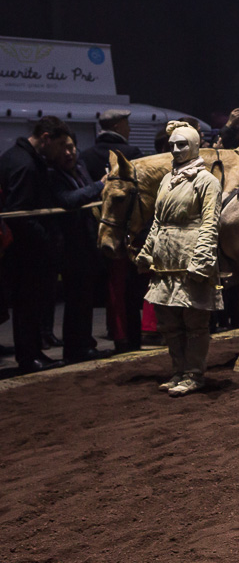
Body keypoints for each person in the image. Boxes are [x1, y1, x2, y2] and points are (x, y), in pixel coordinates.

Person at [136, 120, 224, 396]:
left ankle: (194, 374)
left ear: (196, 145)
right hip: (166, 259)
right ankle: (178, 371)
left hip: (191, 255)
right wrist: (146, 251)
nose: (175, 149)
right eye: (172, 145)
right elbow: (158, 221)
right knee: (170, 324)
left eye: (182, 144)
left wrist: (201, 260)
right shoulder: (166, 179)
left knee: (195, 322)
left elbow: (211, 223)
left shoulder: (207, 181)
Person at [0, 116, 74, 373]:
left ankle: (32, 352)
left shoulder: (17, 157)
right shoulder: (26, 165)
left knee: (27, 305)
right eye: (59, 145)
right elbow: (20, 214)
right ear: (46, 138)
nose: (62, 152)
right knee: (27, 305)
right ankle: (29, 355)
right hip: (27, 252)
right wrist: (47, 241)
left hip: (21, 250)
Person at [80, 108, 146, 353]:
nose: (129, 130)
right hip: (126, 231)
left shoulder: (85, 156)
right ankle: (131, 337)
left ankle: (117, 334)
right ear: (118, 126)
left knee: (112, 287)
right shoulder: (131, 155)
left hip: (97, 230)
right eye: (127, 125)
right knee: (129, 290)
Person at [50, 134, 107, 362]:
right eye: (62, 148)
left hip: (87, 245)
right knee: (75, 301)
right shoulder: (53, 174)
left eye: (71, 147)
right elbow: (69, 199)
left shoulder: (80, 166)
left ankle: (85, 344)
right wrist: (101, 184)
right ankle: (75, 349)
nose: (68, 153)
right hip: (70, 248)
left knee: (86, 300)